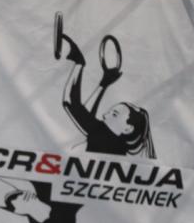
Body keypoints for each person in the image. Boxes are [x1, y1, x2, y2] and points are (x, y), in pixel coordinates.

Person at [57, 23, 156, 159]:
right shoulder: (114, 141)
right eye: (110, 112)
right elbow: (87, 114)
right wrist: (103, 84)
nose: (104, 115)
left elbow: (70, 102)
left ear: (128, 128)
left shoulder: (105, 138)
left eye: (114, 114)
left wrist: (79, 63)